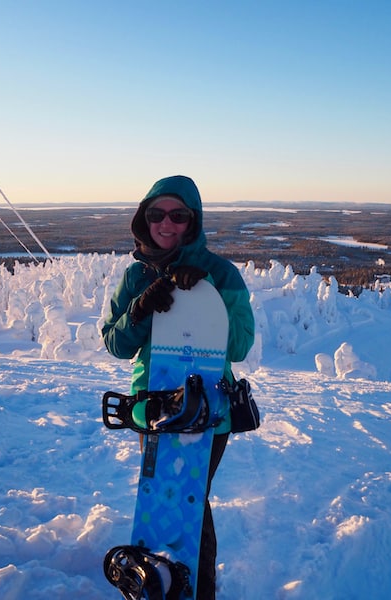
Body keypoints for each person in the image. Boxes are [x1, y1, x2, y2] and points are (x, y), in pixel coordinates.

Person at [102, 175, 255, 598]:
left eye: (178, 215)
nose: (166, 224)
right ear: (143, 219)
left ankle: (195, 588)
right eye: (156, 214)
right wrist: (141, 308)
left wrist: (205, 293)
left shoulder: (221, 274)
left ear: (193, 221)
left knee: (189, 498)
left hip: (209, 410)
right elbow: (115, 343)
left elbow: (240, 344)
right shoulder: (135, 277)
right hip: (151, 409)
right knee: (161, 498)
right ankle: (161, 578)